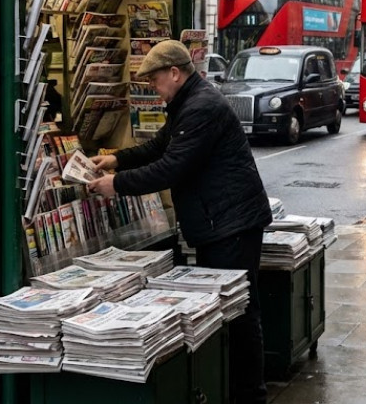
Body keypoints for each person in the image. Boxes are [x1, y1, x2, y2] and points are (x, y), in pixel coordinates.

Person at [87, 39, 272, 404]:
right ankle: (239, 390)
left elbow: (172, 167)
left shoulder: (200, 106)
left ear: (174, 73)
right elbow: (160, 147)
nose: (154, 90)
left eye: (155, 81)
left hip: (229, 225)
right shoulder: (188, 100)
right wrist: (117, 160)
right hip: (221, 222)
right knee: (232, 310)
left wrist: (116, 185)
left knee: (238, 312)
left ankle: (249, 395)